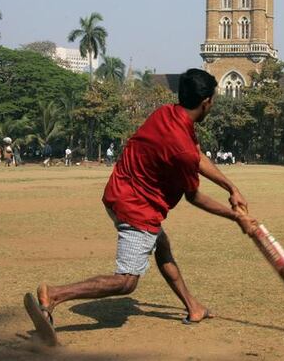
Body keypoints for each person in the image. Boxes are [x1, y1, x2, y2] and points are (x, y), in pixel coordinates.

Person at [23, 69, 257, 346]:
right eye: (213, 100)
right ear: (206, 102)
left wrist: (231, 188)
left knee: (162, 245)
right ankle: (55, 294)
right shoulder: (180, 145)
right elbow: (193, 196)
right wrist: (235, 217)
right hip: (137, 208)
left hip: (119, 191)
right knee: (126, 282)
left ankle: (193, 307)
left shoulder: (168, 114)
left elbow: (196, 155)